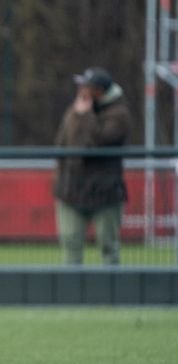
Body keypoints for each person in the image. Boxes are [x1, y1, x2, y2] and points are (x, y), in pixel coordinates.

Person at [53, 67, 130, 265]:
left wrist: (86, 115)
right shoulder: (75, 110)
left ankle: (109, 295)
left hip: (105, 193)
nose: (81, 89)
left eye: (86, 86)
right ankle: (72, 295)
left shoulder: (119, 114)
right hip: (71, 191)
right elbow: (61, 143)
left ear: (99, 91)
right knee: (71, 248)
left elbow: (100, 141)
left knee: (109, 249)